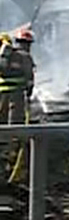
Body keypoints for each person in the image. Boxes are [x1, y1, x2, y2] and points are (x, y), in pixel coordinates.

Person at [0, 28, 34, 185]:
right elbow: (29, 78)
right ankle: (12, 155)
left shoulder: (7, 55)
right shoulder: (25, 57)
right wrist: (29, 90)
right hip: (16, 95)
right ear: (27, 44)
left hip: (1, 94)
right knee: (16, 125)